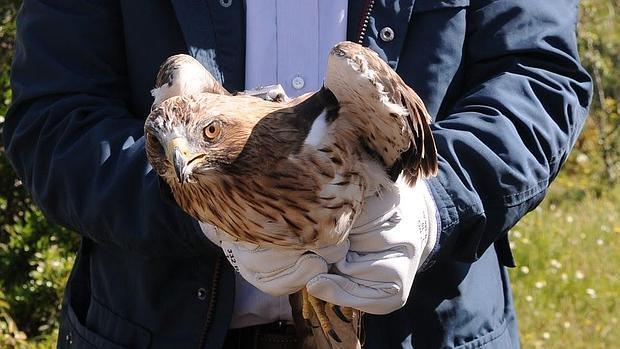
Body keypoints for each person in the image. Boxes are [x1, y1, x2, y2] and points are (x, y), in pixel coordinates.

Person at [5, 0, 592, 348]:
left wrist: (435, 204)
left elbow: (538, 79)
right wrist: (206, 207)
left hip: (426, 330)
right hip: (155, 326)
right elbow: (56, 121)